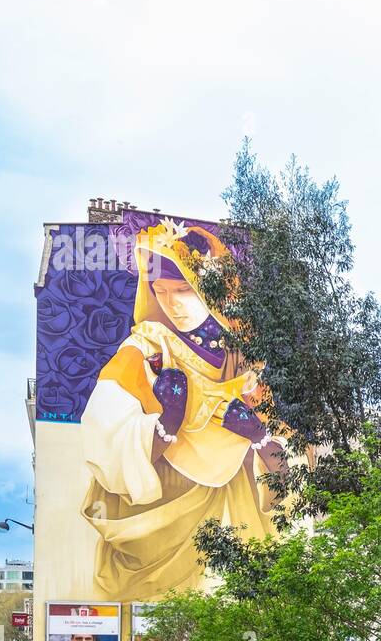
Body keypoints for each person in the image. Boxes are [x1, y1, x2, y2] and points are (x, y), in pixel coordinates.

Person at [79, 217, 285, 602]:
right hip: (158, 518)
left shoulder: (246, 359)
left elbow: (290, 480)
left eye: (183, 290)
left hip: (232, 510)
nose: (172, 303)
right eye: (161, 290)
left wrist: (259, 435)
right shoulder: (147, 349)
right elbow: (102, 434)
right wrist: (164, 425)